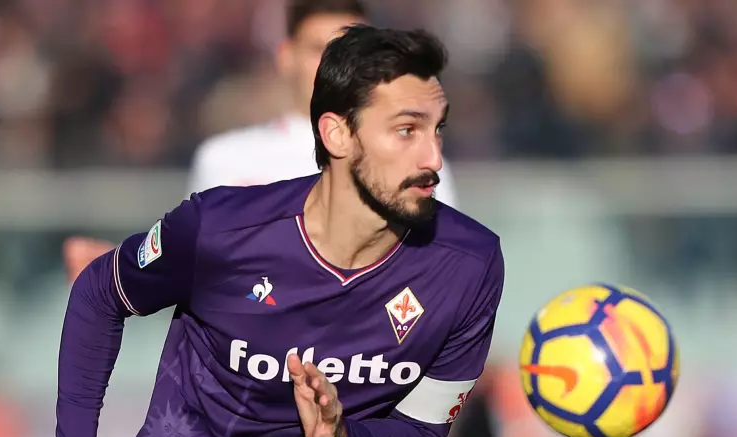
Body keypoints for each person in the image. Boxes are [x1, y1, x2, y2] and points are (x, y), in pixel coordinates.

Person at [7, 24, 504, 437]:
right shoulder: (223, 229)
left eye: (437, 129)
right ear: (337, 134)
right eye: (406, 130)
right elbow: (99, 292)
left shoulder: (470, 265)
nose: (433, 159)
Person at [61, 0, 461, 282]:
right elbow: (194, 278)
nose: (336, 66)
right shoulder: (226, 159)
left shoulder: (414, 159)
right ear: (286, 56)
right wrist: (116, 272)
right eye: (320, 50)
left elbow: (443, 280)